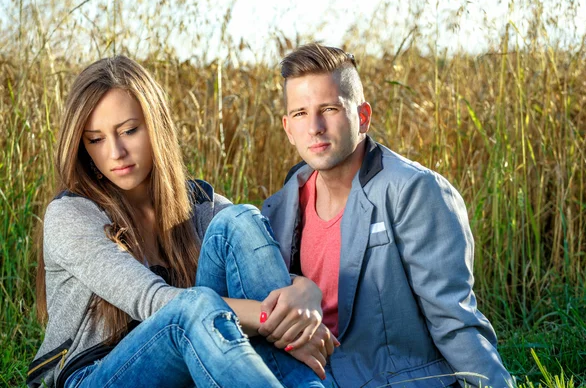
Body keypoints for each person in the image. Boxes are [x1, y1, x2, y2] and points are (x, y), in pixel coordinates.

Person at [27, 55, 337, 388]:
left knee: (241, 219)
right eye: (96, 139)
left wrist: (306, 290)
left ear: (155, 126)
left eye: (129, 131)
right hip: (96, 375)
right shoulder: (71, 214)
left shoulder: (200, 204)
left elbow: (251, 272)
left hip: (189, 365)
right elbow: (156, 302)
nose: (115, 152)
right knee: (190, 309)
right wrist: (278, 319)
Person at [262, 43, 514, 387]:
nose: (315, 127)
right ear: (288, 127)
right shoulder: (281, 206)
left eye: (330, 109)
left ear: (363, 116)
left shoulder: (414, 191)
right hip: (307, 375)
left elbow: (453, 318)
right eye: (300, 114)